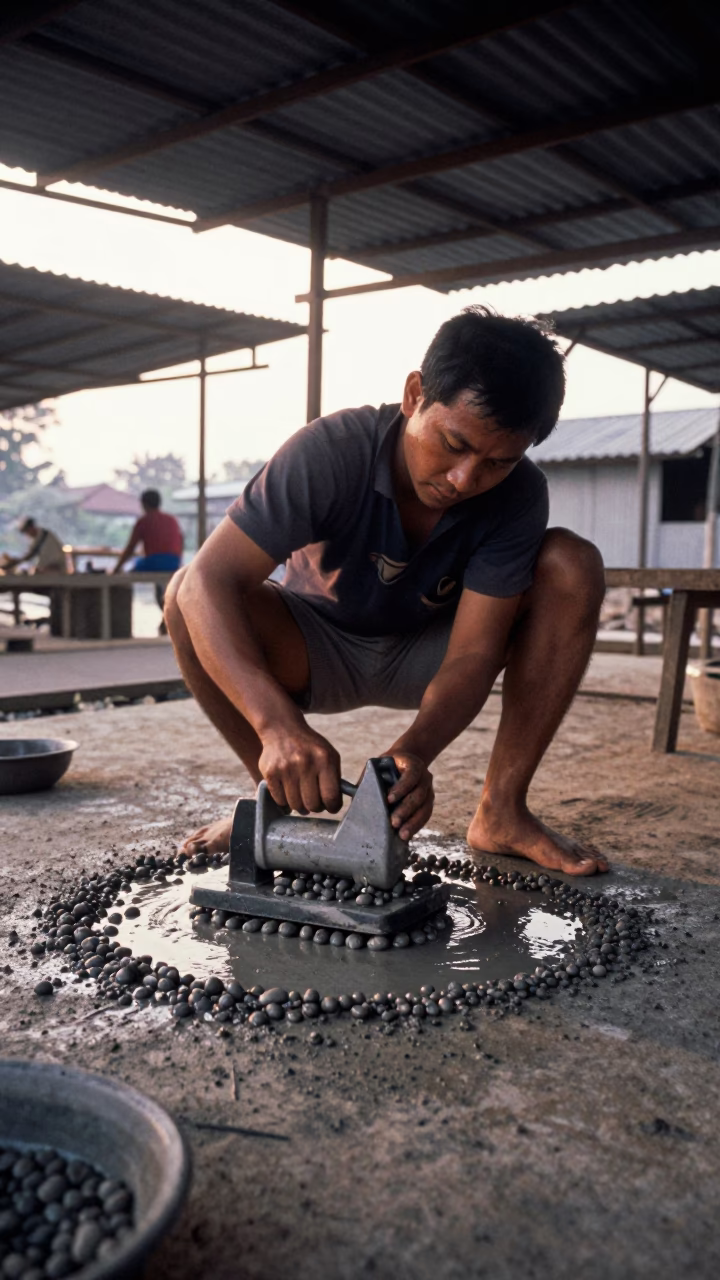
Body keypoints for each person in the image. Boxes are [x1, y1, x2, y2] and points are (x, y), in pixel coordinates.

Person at [165, 307, 608, 877]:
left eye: (498, 461)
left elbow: (474, 653)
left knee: (572, 564)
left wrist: (416, 750)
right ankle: (272, 797)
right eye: (453, 443)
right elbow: (208, 581)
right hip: (313, 644)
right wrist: (278, 728)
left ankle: (501, 812)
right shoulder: (330, 451)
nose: (464, 479)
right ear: (414, 394)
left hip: (430, 653)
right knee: (187, 592)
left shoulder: (519, 495)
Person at [113, 489, 184, 631]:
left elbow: (130, 548)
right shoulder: (172, 520)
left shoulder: (144, 521)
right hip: (173, 562)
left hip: (153, 562)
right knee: (162, 588)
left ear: (144, 504)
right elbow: (181, 540)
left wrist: (116, 570)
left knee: (125, 577)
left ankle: (117, 620)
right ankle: (167, 618)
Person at [0, 517, 68, 574]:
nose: (27, 535)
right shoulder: (37, 538)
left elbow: (30, 554)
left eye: (27, 532)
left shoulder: (44, 535)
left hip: (56, 568)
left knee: (34, 572)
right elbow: (30, 554)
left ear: (31, 527)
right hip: (47, 567)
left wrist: (13, 563)